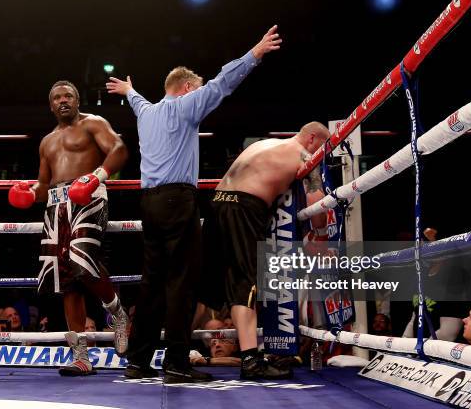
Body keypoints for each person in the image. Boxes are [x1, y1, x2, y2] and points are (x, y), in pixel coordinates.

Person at [106, 25, 282, 384]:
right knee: (181, 283)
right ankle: (175, 363)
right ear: (186, 88)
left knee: (152, 284)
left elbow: (138, 100)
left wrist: (129, 89)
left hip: (149, 203)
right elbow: (222, 83)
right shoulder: (186, 106)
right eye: (196, 90)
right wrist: (255, 53)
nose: (200, 95)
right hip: (176, 201)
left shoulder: (148, 112)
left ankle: (138, 361)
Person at [8, 80, 129, 376]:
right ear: (51, 105)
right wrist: (29, 192)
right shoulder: (47, 141)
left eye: (68, 96)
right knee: (65, 281)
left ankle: (118, 314)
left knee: (82, 259)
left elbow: (119, 149)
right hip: (55, 205)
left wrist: (96, 177)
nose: (63, 100)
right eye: (58, 97)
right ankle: (81, 357)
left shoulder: (93, 123)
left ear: (77, 100)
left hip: (88, 195)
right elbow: (44, 183)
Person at [200, 121, 331, 379]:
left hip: (217, 203)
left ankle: (176, 354)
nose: (323, 155)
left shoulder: (264, 144)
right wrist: (321, 235)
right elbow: (318, 202)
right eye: (324, 148)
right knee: (246, 285)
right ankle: (250, 361)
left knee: (206, 284)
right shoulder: (304, 155)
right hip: (243, 208)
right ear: (313, 139)